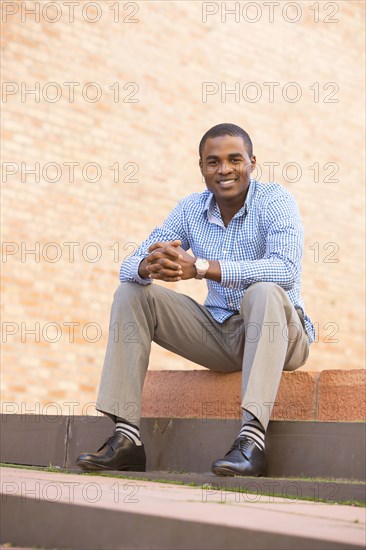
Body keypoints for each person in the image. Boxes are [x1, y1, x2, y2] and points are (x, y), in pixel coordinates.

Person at [77, 123, 315, 477]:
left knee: (263, 291)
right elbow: (129, 263)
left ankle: (251, 442)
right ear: (202, 166)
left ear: (252, 162)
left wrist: (202, 267)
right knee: (132, 291)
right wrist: (150, 264)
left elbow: (285, 270)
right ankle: (126, 438)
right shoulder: (190, 209)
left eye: (235, 160)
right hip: (220, 334)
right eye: (213, 162)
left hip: (281, 333)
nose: (224, 170)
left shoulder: (275, 200)